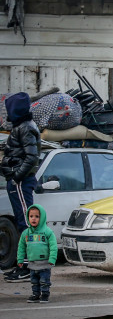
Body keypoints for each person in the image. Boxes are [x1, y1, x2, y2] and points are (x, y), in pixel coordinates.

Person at [2, 92, 41, 282]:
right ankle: (23, 266)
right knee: (22, 223)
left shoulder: (25, 128)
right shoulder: (22, 126)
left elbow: (31, 157)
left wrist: (16, 177)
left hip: (21, 182)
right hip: (18, 181)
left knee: (27, 223)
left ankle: (29, 267)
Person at [17, 204, 57, 303]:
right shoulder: (26, 233)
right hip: (32, 264)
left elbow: (53, 246)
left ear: (42, 218)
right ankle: (35, 294)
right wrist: (20, 259)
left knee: (44, 281)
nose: (33, 219)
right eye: (31, 216)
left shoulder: (47, 232)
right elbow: (21, 247)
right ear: (28, 218)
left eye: (37, 216)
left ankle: (45, 294)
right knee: (34, 281)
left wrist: (52, 259)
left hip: (44, 264)